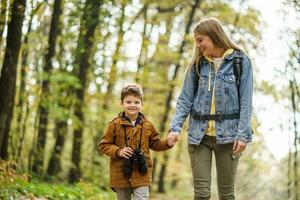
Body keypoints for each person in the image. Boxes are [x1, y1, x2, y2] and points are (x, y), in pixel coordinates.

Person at [168, 18, 253, 200]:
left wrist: (242, 134)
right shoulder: (198, 64)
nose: (198, 45)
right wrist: (175, 128)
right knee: (201, 195)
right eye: (196, 41)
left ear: (214, 35)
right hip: (199, 138)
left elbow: (246, 102)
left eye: (200, 40)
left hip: (230, 138)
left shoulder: (240, 61)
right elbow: (184, 100)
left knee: (226, 195)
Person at [98, 84, 175, 200]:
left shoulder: (148, 125)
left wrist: (167, 143)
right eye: (128, 102)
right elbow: (103, 145)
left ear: (142, 104)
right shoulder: (113, 124)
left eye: (136, 102)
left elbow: (155, 143)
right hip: (121, 173)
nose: (132, 105)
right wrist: (118, 151)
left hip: (142, 172)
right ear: (121, 103)